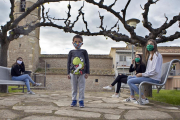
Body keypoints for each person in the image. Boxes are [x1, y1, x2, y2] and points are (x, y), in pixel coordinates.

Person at [124, 39, 163, 105]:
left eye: (151, 44)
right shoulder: (151, 55)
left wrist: (142, 74)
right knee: (130, 78)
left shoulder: (156, 55)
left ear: (155, 46)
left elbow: (155, 71)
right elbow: (149, 71)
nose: (149, 46)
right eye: (148, 44)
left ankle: (143, 98)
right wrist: (139, 75)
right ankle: (132, 97)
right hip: (150, 77)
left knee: (130, 81)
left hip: (154, 78)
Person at [67, 35, 90, 108]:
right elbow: (68, 62)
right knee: (74, 87)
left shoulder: (84, 51)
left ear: (82, 43)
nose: (77, 43)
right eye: (75, 42)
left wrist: (87, 72)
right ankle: (74, 100)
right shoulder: (71, 52)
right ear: (72, 42)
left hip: (82, 73)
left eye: (79, 42)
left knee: (81, 87)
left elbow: (87, 62)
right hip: (72, 73)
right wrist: (68, 73)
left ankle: (81, 101)